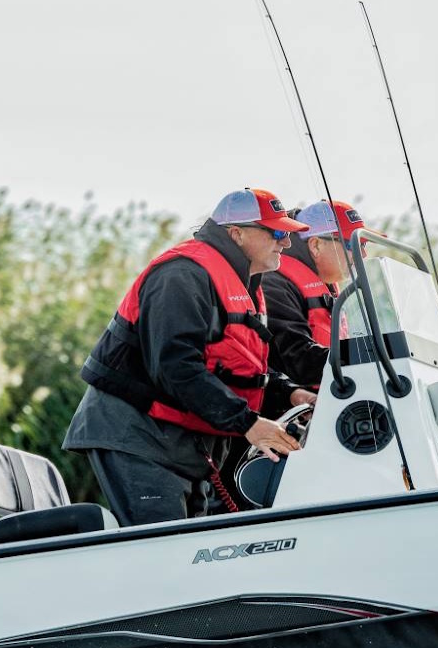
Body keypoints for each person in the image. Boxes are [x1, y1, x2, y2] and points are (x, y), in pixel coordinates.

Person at [63, 188, 315, 526]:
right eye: (277, 233)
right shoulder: (182, 275)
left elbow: (236, 364)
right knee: (166, 546)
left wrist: (289, 392)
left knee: (192, 544)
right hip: (138, 435)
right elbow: (175, 368)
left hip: (183, 444)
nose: (285, 243)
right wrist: (248, 424)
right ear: (236, 234)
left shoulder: (244, 283)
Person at [260, 199, 357, 390]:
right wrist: (364, 357)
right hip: (292, 402)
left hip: (333, 398)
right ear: (316, 245)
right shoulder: (274, 284)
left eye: (363, 244)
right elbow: (295, 358)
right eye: (352, 245)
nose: (363, 254)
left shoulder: (327, 286)